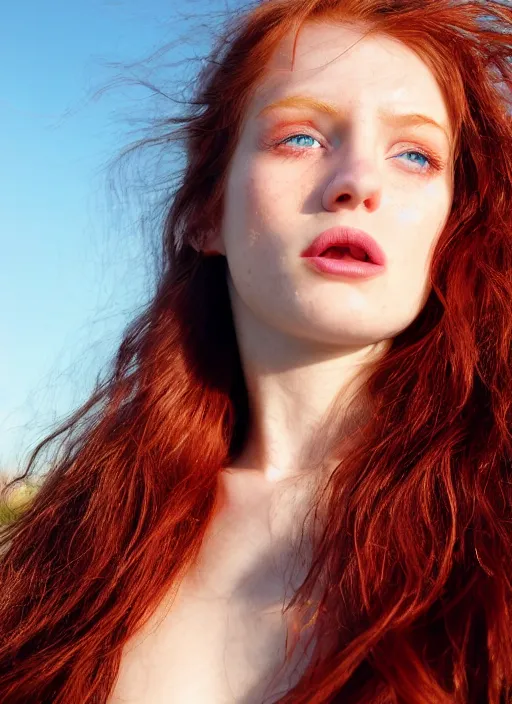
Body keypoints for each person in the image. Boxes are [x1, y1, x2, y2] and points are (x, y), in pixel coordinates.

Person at [1, 0, 511, 702]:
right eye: (301, 138)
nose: (358, 182)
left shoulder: (492, 537)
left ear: (451, 229)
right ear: (206, 214)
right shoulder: (85, 544)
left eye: (415, 155)